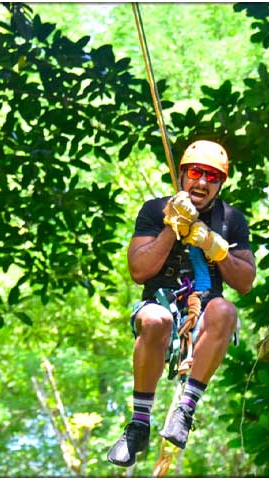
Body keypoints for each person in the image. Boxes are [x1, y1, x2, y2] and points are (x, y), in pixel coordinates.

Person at [106, 140, 256, 467]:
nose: (202, 182)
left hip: (204, 308)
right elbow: (139, 270)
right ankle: (139, 423)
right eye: (197, 172)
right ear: (183, 174)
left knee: (226, 311)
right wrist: (171, 229)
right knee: (155, 320)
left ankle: (185, 409)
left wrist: (215, 248)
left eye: (212, 176)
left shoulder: (231, 219)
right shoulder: (155, 210)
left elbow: (244, 282)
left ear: (220, 184)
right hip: (161, 302)